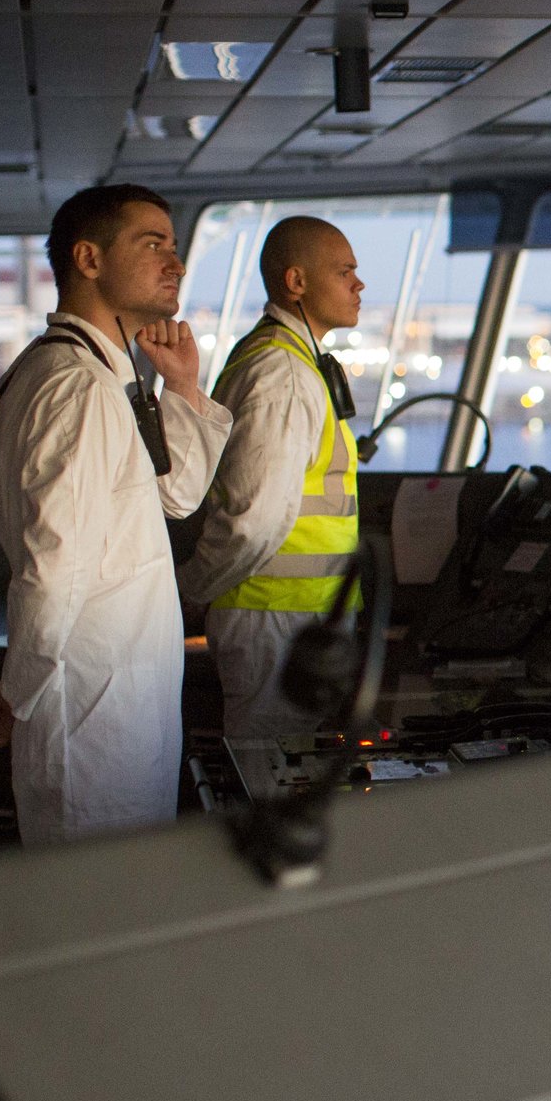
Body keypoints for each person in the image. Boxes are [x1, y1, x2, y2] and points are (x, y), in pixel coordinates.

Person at [0, 186, 232, 846]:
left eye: (174, 244)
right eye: (153, 243)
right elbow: (53, 567)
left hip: (110, 697)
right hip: (92, 713)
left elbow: (176, 495)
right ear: (88, 257)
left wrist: (183, 388)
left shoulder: (99, 377)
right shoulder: (76, 387)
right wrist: (19, 689)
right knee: (100, 903)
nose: (176, 262)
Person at [180, 216, 366, 739]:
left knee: (289, 775)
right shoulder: (281, 374)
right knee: (271, 778)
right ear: (297, 282)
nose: (359, 284)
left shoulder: (290, 359)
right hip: (276, 619)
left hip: (297, 619)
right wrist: (192, 588)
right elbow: (254, 518)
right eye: (345, 271)